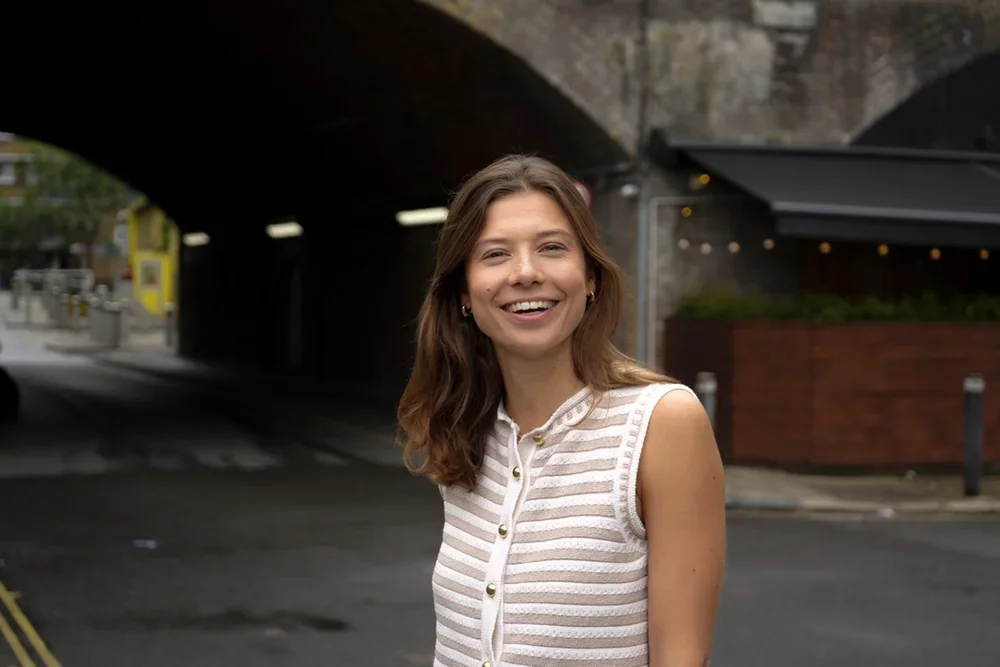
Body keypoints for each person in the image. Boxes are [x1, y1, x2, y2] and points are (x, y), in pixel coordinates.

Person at [398, 155, 726, 667]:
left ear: (590, 276)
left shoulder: (663, 423)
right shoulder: (469, 422)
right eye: (496, 254)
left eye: (552, 248)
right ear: (464, 292)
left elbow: (681, 658)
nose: (526, 273)